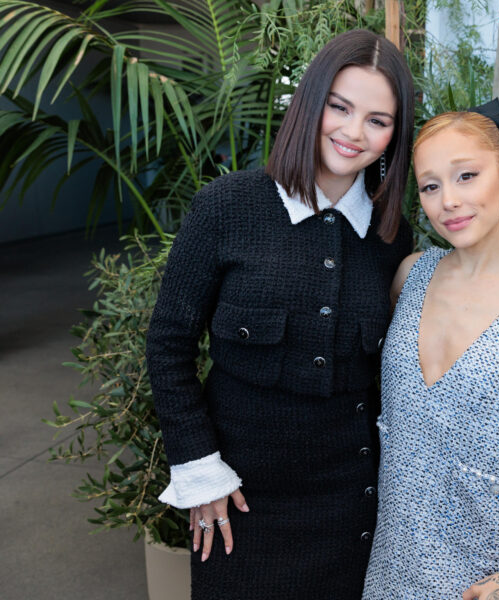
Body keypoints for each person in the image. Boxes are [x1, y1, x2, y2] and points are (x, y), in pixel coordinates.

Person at [145, 29, 414, 599]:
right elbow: (169, 344)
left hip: (348, 505)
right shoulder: (227, 208)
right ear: (310, 102)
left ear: (395, 134)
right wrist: (199, 468)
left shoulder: (392, 239)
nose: (351, 132)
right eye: (339, 108)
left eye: (377, 119)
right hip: (238, 497)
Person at [362, 100, 499, 600]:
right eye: (431, 186)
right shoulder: (409, 275)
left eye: (466, 176)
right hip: (392, 557)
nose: (449, 201)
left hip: (482, 572)